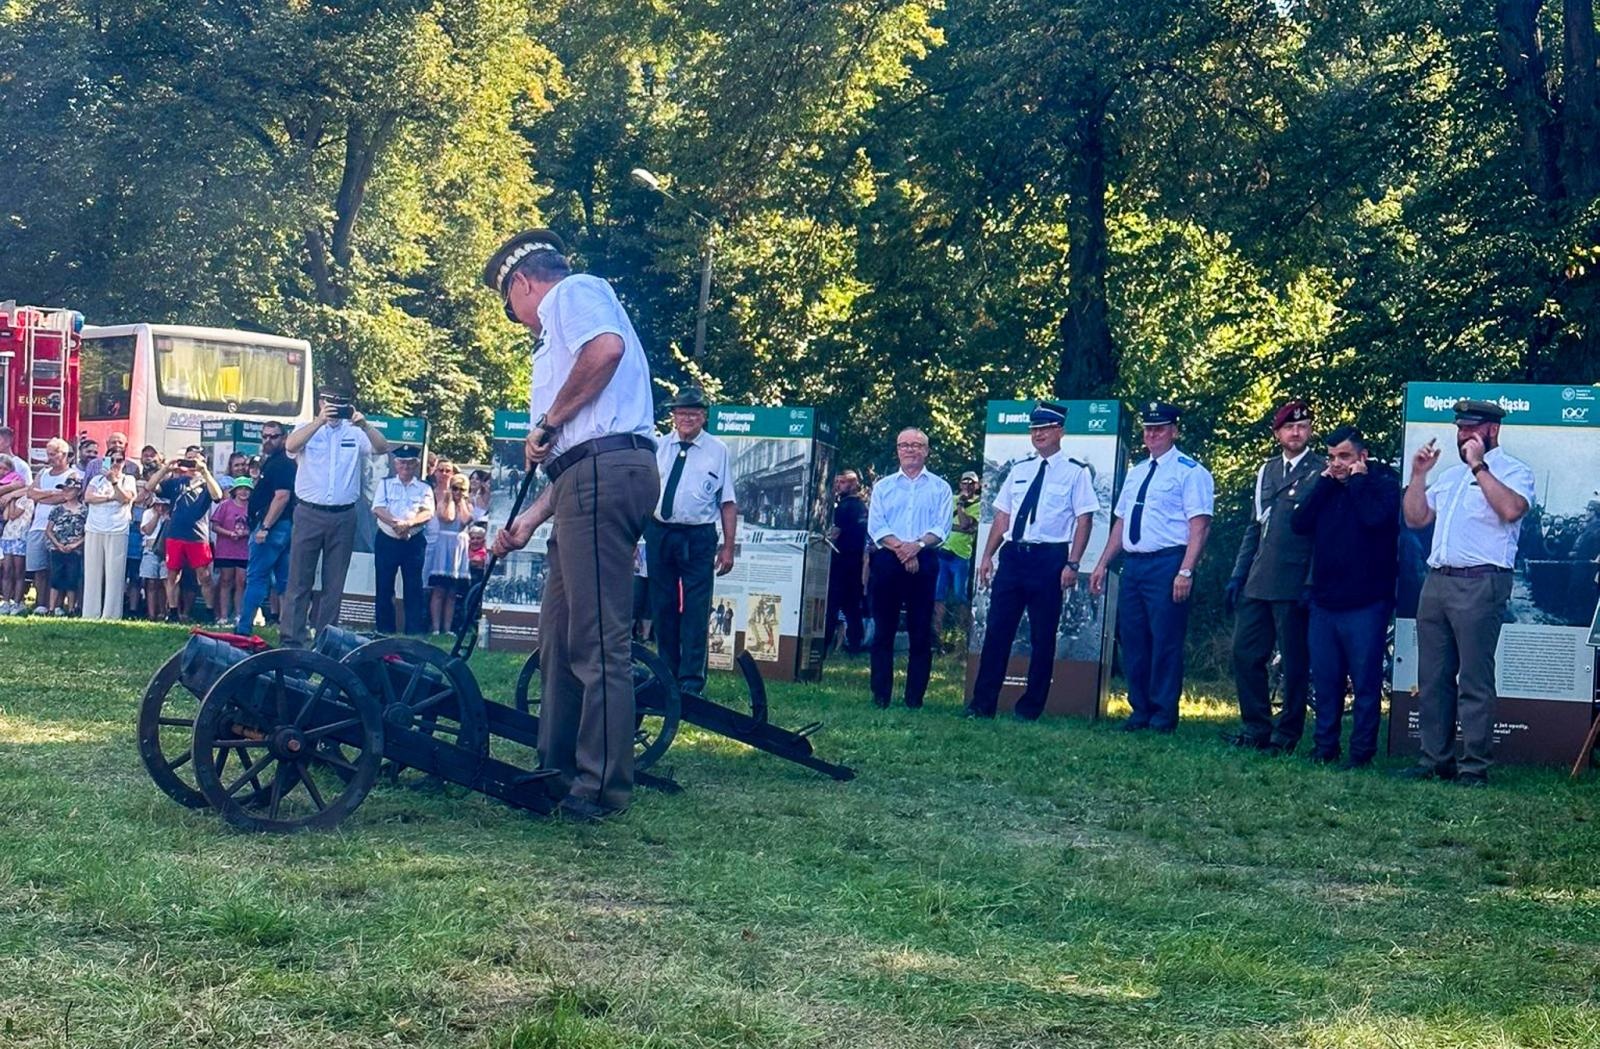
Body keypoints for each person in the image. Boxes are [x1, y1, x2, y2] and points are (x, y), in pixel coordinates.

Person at [485, 227, 658, 821]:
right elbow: (576, 452)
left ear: (522, 283)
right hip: (586, 476)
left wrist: (548, 421)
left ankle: (601, 786)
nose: (518, 321)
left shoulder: (573, 292)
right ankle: (556, 769)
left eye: (510, 307)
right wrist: (530, 520)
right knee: (558, 637)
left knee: (597, 638)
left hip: (604, 473)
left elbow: (605, 351)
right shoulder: (563, 312)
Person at [1398, 398, 1535, 787]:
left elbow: (1512, 510)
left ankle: (1474, 766)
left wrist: (1478, 466)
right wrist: (1419, 475)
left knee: (1474, 679)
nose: (1463, 436)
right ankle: (1434, 760)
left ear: (1492, 430)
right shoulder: (1450, 477)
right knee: (1433, 676)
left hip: (1481, 583)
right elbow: (1416, 518)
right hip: (1438, 581)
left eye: (1471, 429)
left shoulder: (1514, 471)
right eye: (1459, 430)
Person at [968, 402, 1100, 720]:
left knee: (1042, 636)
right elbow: (1003, 517)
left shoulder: (1075, 472)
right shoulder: (1020, 470)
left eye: (1045, 429)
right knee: (997, 631)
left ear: (1060, 431)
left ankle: (1030, 708)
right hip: (1013, 557)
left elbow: (1084, 520)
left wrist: (1073, 563)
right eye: (1034, 429)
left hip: (1049, 559)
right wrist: (987, 555)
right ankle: (982, 704)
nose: (1038, 434)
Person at [1090, 402, 1214, 733]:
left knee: (1165, 640)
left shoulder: (1191, 472)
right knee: (1133, 639)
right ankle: (1140, 710)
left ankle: (1162, 715)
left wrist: (1186, 570)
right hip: (1134, 564)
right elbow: (1121, 522)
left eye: (1159, 428)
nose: (1152, 434)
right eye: (1148, 429)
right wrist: (1103, 563)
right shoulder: (1137, 472)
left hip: (1168, 563)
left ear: (1174, 431)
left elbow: (1200, 526)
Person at [1290, 424, 1401, 768]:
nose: (1336, 463)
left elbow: (1374, 519)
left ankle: (1361, 753)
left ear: (1362, 456)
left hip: (1366, 604)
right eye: (1332, 457)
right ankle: (1325, 746)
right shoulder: (1327, 487)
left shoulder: (1382, 485)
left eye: (1344, 456)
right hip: (1324, 602)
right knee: (1326, 680)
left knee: (1365, 683)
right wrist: (1324, 483)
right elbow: (1299, 523)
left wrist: (1357, 481)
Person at [1223, 399, 1324, 754]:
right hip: (1258, 578)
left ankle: (1287, 734)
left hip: (1294, 581)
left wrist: (1311, 581)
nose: (1296, 432)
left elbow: (1322, 536)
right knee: (1245, 652)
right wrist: (1238, 575)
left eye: (1303, 426)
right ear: (1277, 433)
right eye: (1289, 427)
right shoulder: (1267, 470)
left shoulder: (1320, 471)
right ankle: (1256, 726)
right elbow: (1255, 527)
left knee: (1294, 662)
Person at [280, 388, 392, 647]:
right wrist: (319, 421)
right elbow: (290, 446)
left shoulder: (354, 432)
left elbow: (382, 447)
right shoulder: (306, 427)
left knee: (334, 583)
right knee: (299, 579)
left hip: (343, 515)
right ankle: (292, 639)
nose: (335, 409)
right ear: (321, 402)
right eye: (331, 403)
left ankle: (325, 640)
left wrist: (365, 425)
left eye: (341, 404)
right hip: (309, 512)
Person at [646, 386, 738, 696]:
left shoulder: (717, 450)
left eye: (694, 414)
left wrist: (728, 547)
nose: (687, 419)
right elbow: (643, 494)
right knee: (663, 605)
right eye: (682, 413)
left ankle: (691, 680)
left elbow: (727, 502)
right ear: (673, 416)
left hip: (698, 536)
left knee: (697, 608)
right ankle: (666, 673)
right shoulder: (658, 446)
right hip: (660, 532)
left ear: (704, 417)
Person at [866, 428, 953, 709]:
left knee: (920, 631)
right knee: (884, 630)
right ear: (897, 450)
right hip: (888, 559)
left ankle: (914, 698)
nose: (910, 450)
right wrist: (903, 550)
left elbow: (942, 527)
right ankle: (881, 696)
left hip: (924, 559)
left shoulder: (940, 487)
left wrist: (916, 546)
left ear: (926, 451)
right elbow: (877, 527)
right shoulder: (883, 487)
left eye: (916, 445)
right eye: (904, 445)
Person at [148, 452, 225, 623]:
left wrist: (204, 471)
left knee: (204, 576)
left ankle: (209, 612)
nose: (192, 465)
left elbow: (218, 496)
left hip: (198, 536)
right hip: (175, 534)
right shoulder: (177, 482)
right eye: (189, 460)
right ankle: (173, 611)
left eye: (195, 461)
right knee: (172, 575)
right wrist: (165, 469)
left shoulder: (207, 483)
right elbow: (151, 486)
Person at [236, 422, 296, 633]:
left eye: (274, 436)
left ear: (284, 437)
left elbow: (282, 497)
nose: (268, 440)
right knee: (285, 582)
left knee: (257, 578)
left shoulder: (282, 463)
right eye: (265, 436)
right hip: (281, 527)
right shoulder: (273, 461)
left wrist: (265, 527)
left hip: (273, 528)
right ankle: (291, 630)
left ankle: (243, 628)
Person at [371, 445, 434, 635]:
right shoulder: (385, 484)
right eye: (402, 463)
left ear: (416, 465)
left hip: (413, 541)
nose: (405, 466)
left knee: (413, 587)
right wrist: (396, 523)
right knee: (384, 586)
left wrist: (408, 523)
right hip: (387, 540)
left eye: (410, 463)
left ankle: (414, 631)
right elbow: (378, 508)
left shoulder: (424, 488)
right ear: (396, 464)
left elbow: (427, 512)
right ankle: (384, 631)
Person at [82, 450, 138, 620]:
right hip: (94, 527)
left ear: (124, 463)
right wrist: (109, 498)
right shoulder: (96, 479)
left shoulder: (128, 479)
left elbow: (125, 498)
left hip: (117, 529)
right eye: (111, 460)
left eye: (118, 460)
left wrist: (114, 483)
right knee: (92, 572)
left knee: (115, 574)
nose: (114, 463)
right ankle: (90, 613)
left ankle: (111, 614)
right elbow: (88, 497)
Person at [26, 439, 74, 614]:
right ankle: (41, 603)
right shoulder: (43, 473)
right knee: (39, 568)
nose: (49, 458)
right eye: (48, 454)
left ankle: (57, 605)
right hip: (38, 526)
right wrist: (52, 492)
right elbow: (31, 493)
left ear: (64, 454)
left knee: (57, 568)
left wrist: (43, 496)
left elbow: (65, 497)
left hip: (58, 528)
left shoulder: (71, 475)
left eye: (53, 454)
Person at [825, 469, 870, 653]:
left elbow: (834, 534)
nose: (837, 486)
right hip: (857, 563)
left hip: (841, 562)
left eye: (841, 482)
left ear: (852, 484)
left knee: (832, 605)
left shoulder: (844, 507)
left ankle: (824, 643)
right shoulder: (863, 507)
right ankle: (855, 644)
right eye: (837, 482)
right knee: (852, 607)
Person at [935, 470, 982, 642]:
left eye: (971, 482)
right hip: (943, 553)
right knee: (938, 595)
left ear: (977, 486)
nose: (967, 485)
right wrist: (960, 527)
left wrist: (961, 506)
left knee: (959, 595)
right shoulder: (950, 500)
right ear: (960, 483)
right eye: (964, 482)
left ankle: (963, 636)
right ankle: (937, 636)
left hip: (960, 555)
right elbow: (940, 523)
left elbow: (965, 525)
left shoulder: (979, 505)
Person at [424, 465, 471, 635]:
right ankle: (436, 628)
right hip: (444, 546)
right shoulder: (443, 503)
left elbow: (465, 521)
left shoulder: (468, 505)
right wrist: (451, 498)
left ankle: (447, 628)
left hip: (459, 547)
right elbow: (448, 517)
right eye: (455, 488)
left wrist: (462, 501)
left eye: (461, 489)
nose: (458, 492)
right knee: (439, 590)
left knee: (452, 592)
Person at [210, 477, 253, 627]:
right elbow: (215, 526)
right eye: (240, 489)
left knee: (241, 581)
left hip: (244, 550)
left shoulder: (253, 507)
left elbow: (256, 526)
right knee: (225, 581)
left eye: (247, 489)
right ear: (234, 491)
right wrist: (229, 534)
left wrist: (245, 533)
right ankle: (223, 615)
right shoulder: (225, 505)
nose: (243, 492)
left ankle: (239, 614)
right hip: (225, 550)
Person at [45, 472, 88, 616]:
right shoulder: (57, 509)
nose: (66, 492)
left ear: (78, 491)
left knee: (72, 579)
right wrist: (57, 544)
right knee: (55, 577)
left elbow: (87, 533)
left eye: (69, 490)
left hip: (75, 550)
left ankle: (71, 608)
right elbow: (49, 530)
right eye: (64, 490)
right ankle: (51, 608)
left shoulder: (84, 511)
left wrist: (75, 545)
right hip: (57, 548)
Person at [0, 457, 33, 615]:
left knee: (19, 571)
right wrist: (11, 498)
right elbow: (6, 516)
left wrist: (12, 497)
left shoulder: (26, 498)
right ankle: (6, 601)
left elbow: (13, 515)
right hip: (8, 536)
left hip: (20, 536)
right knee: (7, 570)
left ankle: (18, 602)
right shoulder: (10, 497)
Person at [139, 496, 172, 621]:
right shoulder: (148, 513)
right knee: (151, 582)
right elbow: (147, 531)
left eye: (164, 505)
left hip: (167, 550)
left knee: (165, 581)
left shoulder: (171, 514)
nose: (161, 507)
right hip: (150, 549)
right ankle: (151, 614)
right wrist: (157, 515)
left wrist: (167, 517)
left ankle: (165, 612)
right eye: (158, 504)